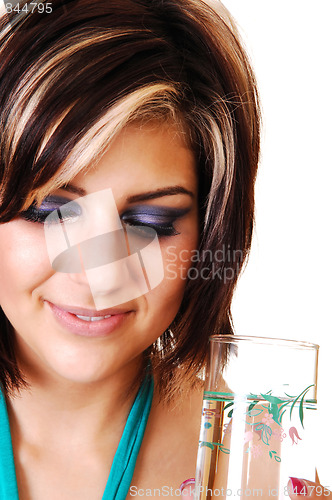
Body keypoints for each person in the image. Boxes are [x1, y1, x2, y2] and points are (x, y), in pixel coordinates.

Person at [0, 0, 327, 499]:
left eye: (149, 223)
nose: (101, 276)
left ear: (211, 232)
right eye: (52, 213)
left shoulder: (250, 467)